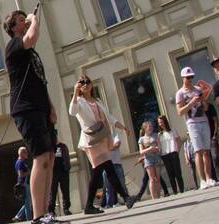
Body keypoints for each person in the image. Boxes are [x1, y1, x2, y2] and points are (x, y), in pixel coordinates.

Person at [3, 8, 65, 224]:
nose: (25, 22)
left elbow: (40, 79)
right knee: (40, 157)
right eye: (21, 21)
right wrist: (34, 19)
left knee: (49, 156)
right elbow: (32, 37)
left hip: (40, 107)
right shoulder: (14, 45)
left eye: (26, 19)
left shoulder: (30, 53)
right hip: (25, 108)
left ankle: (46, 210)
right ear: (13, 28)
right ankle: (38, 216)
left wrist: (50, 106)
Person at [69, 75, 134, 214]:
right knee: (106, 169)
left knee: (100, 171)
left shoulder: (97, 101)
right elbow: (72, 112)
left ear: (91, 85)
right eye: (82, 83)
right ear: (79, 86)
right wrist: (75, 92)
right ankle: (126, 197)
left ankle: (89, 205)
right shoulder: (79, 101)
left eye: (87, 82)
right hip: (92, 140)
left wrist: (123, 127)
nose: (85, 84)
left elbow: (109, 117)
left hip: (102, 138)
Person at [175, 66, 217, 189]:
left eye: (191, 77)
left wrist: (203, 100)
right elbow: (180, 112)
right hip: (192, 123)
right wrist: (192, 102)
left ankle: (209, 178)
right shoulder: (180, 93)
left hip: (203, 121)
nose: (190, 79)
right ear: (183, 78)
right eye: (188, 77)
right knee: (198, 151)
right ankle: (202, 180)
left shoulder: (198, 89)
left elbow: (206, 108)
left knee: (207, 151)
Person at [155, 115, 185, 193]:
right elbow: (159, 146)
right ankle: (175, 191)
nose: (160, 124)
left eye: (161, 122)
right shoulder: (159, 135)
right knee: (170, 174)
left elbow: (179, 141)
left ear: (165, 121)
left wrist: (177, 151)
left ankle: (182, 190)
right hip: (165, 155)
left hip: (173, 153)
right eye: (159, 123)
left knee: (177, 172)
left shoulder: (172, 130)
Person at [136, 120, 163, 200]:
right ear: (145, 128)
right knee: (152, 178)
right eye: (149, 127)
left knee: (157, 178)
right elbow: (141, 152)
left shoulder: (155, 135)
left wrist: (157, 149)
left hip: (157, 158)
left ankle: (158, 196)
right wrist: (150, 149)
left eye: (152, 126)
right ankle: (154, 197)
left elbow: (160, 148)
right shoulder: (141, 139)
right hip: (148, 159)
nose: (151, 128)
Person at [48, 138, 72, 216]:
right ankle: (51, 210)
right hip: (53, 173)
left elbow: (67, 157)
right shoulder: (49, 147)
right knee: (53, 192)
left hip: (63, 171)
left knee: (65, 191)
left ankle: (66, 208)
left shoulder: (63, 146)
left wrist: (68, 168)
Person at [11, 147, 31, 222]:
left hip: (25, 184)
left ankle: (17, 216)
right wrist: (29, 172)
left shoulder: (22, 162)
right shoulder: (20, 162)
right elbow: (21, 174)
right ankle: (29, 220)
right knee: (28, 203)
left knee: (27, 202)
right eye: (25, 152)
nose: (27, 154)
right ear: (22, 153)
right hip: (24, 184)